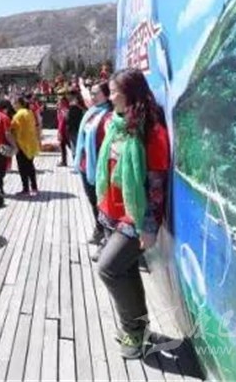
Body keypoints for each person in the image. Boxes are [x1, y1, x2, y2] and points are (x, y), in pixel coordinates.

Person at [95, 68, 170, 359]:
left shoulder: (152, 131)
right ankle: (139, 329)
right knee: (125, 270)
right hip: (111, 211)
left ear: (131, 94)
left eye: (115, 91)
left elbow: (156, 184)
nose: (110, 96)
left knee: (108, 268)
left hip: (134, 217)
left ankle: (134, 332)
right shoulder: (115, 123)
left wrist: (148, 226)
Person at [73, 81, 113, 248]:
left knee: (102, 202)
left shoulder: (109, 116)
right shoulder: (92, 112)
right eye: (92, 93)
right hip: (86, 165)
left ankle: (106, 239)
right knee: (93, 200)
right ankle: (99, 229)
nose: (92, 96)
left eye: (96, 93)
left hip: (99, 167)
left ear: (107, 95)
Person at [11, 96, 40, 195]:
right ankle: (34, 187)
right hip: (31, 144)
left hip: (21, 145)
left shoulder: (18, 115)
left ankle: (25, 188)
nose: (13, 105)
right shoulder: (30, 112)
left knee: (22, 168)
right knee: (30, 166)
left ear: (19, 104)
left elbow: (12, 129)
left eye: (14, 103)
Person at [66, 93, 86, 159]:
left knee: (78, 147)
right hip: (72, 129)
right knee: (74, 148)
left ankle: (79, 161)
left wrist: (78, 105)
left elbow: (85, 112)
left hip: (78, 129)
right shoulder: (70, 106)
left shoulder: (81, 105)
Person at [56, 95, 71, 167]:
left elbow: (63, 122)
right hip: (63, 131)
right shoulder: (61, 110)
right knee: (63, 146)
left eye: (59, 101)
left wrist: (60, 132)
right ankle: (63, 161)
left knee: (70, 146)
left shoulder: (65, 110)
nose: (58, 103)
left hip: (65, 131)